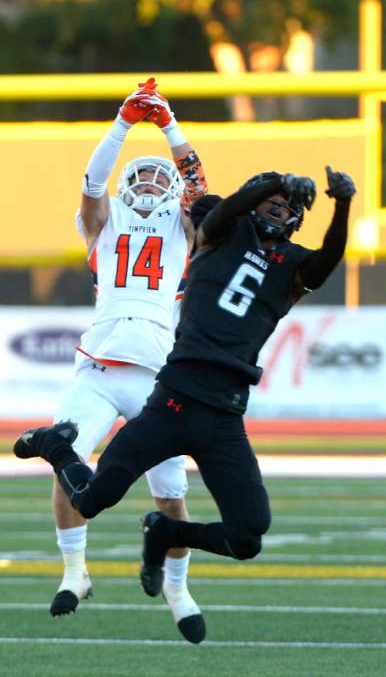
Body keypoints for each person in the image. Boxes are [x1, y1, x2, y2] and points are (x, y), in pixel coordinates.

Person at [13, 166, 355, 635]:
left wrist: (343, 205)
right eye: (270, 201)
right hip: (173, 398)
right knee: (93, 499)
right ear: (252, 202)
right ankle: (55, 446)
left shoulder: (292, 268)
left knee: (248, 536)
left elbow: (330, 257)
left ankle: (167, 534)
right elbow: (223, 207)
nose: (278, 210)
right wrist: (271, 184)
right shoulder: (218, 232)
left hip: (224, 414)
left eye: (286, 206)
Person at [28, 77, 208, 643]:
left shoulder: (186, 228)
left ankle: (177, 586)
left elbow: (201, 189)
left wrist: (170, 125)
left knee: (171, 495)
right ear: (129, 184)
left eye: (162, 175)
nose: (153, 181)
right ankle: (75, 570)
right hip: (101, 367)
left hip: (159, 377)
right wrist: (124, 124)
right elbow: (91, 183)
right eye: (144, 173)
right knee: (66, 453)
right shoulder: (101, 225)